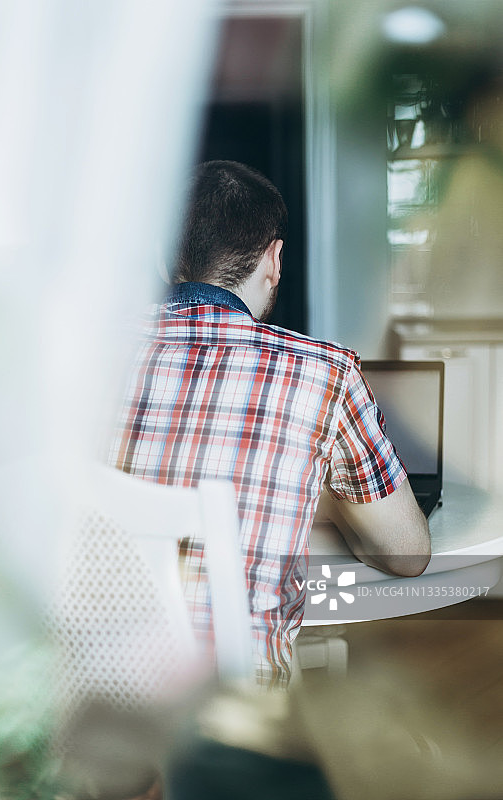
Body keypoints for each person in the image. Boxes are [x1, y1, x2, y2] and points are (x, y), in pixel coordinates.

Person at [108, 160, 430, 687]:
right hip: (236, 714)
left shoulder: (85, 356)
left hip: (81, 702)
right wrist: (319, 494)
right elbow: (406, 553)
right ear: (274, 260)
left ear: (164, 260)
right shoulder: (325, 373)